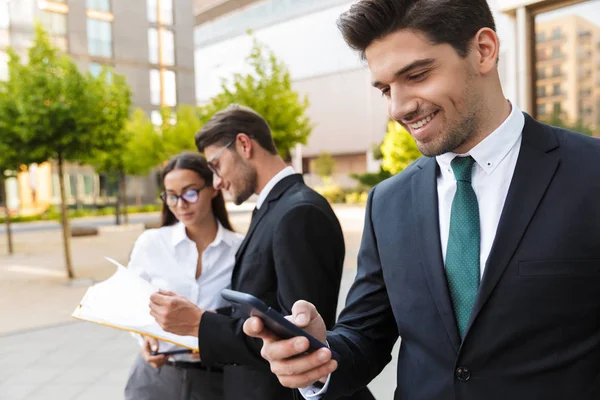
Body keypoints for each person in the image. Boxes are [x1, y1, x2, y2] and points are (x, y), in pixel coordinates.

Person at [243, 0, 600, 399]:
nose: (398, 107)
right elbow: (365, 335)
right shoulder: (387, 202)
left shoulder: (591, 172)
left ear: (483, 50)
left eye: (417, 74)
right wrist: (317, 356)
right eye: (385, 89)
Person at [148, 105, 374, 400]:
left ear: (243, 144)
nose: (216, 181)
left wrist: (199, 323)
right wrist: (199, 320)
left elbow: (296, 336)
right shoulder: (273, 208)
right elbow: (262, 305)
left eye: (216, 165)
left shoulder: (299, 212)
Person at [124, 152, 243, 400]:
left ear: (213, 188)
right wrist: (144, 339)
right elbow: (132, 303)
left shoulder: (240, 249)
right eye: (171, 196)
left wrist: (215, 341)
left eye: (190, 193)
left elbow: (243, 316)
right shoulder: (151, 243)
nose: (180, 204)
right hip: (155, 378)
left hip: (216, 380)